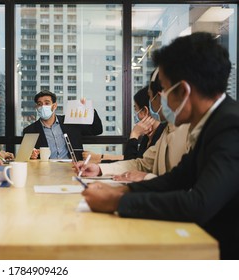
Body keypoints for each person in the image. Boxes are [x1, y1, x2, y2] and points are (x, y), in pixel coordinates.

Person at [80, 32, 239, 259]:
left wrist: (118, 201)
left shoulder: (230, 126)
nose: (161, 100)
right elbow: (176, 178)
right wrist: (123, 189)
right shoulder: (213, 121)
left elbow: (198, 203)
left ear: (183, 90)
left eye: (163, 89)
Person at [76, 69, 190, 182]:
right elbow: (142, 164)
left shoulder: (190, 132)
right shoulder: (168, 129)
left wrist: (146, 177)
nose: (151, 102)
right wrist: (99, 169)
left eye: (151, 97)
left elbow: (187, 186)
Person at [84, 86, 167, 163]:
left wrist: (134, 134)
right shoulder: (147, 137)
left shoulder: (161, 137)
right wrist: (99, 159)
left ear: (145, 111)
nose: (135, 114)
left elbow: (130, 164)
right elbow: (133, 161)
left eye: (135, 109)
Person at [23, 90, 103, 160]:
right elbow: (26, 156)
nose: (43, 106)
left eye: (47, 103)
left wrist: (89, 109)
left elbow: (96, 130)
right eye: (40, 104)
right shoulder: (30, 130)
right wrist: (31, 155)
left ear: (54, 106)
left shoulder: (70, 122)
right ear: (37, 107)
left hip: (72, 168)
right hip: (45, 170)